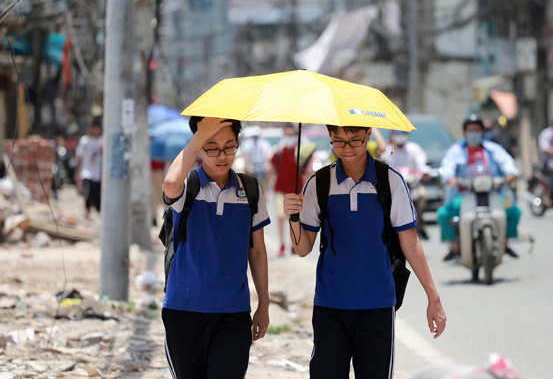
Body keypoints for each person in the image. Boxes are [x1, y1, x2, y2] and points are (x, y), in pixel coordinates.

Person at [284, 125, 447, 379]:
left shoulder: (390, 181)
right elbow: (303, 248)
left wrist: (433, 297)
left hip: (377, 307)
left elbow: (410, 243)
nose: (346, 149)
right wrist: (293, 217)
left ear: (369, 135)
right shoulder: (319, 183)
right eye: (338, 142)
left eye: (354, 141)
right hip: (330, 307)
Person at [161, 116, 270, 379]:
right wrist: (199, 136)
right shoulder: (188, 187)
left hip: (233, 313)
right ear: (198, 148)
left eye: (229, 146)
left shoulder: (250, 190)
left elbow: (256, 251)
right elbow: (170, 185)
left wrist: (264, 303)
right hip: (183, 310)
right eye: (211, 147)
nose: (222, 155)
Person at [437, 114, 520, 261]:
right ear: (464, 132)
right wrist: (450, 178)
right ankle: (455, 246)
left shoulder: (493, 149)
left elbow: (507, 162)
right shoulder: (456, 150)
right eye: (470, 130)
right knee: (444, 214)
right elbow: (447, 166)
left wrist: (510, 174)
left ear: (482, 132)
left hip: (493, 193)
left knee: (513, 211)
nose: (473, 133)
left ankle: (504, 243)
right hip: (464, 195)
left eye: (476, 130)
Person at [265, 123, 314, 257]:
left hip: (297, 192)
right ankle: (282, 244)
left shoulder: (301, 153)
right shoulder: (278, 153)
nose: (289, 137)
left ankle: (294, 245)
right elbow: (270, 171)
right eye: (287, 135)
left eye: (292, 135)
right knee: (281, 217)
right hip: (280, 190)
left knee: (294, 218)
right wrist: (266, 191)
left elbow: (308, 172)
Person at [380, 130, 431, 240]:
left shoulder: (414, 148)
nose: (400, 137)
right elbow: (383, 165)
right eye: (397, 134)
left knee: (421, 195)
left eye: (402, 134)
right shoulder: (388, 150)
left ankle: (420, 222)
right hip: (393, 187)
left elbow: (421, 164)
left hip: (413, 185)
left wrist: (424, 172)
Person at [75, 117, 103, 219]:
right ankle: (88, 212)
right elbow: (80, 158)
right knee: (88, 193)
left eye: (97, 128)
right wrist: (77, 173)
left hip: (99, 173)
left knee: (98, 195)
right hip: (87, 172)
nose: (96, 130)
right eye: (94, 128)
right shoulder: (85, 141)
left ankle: (99, 213)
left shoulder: (103, 141)